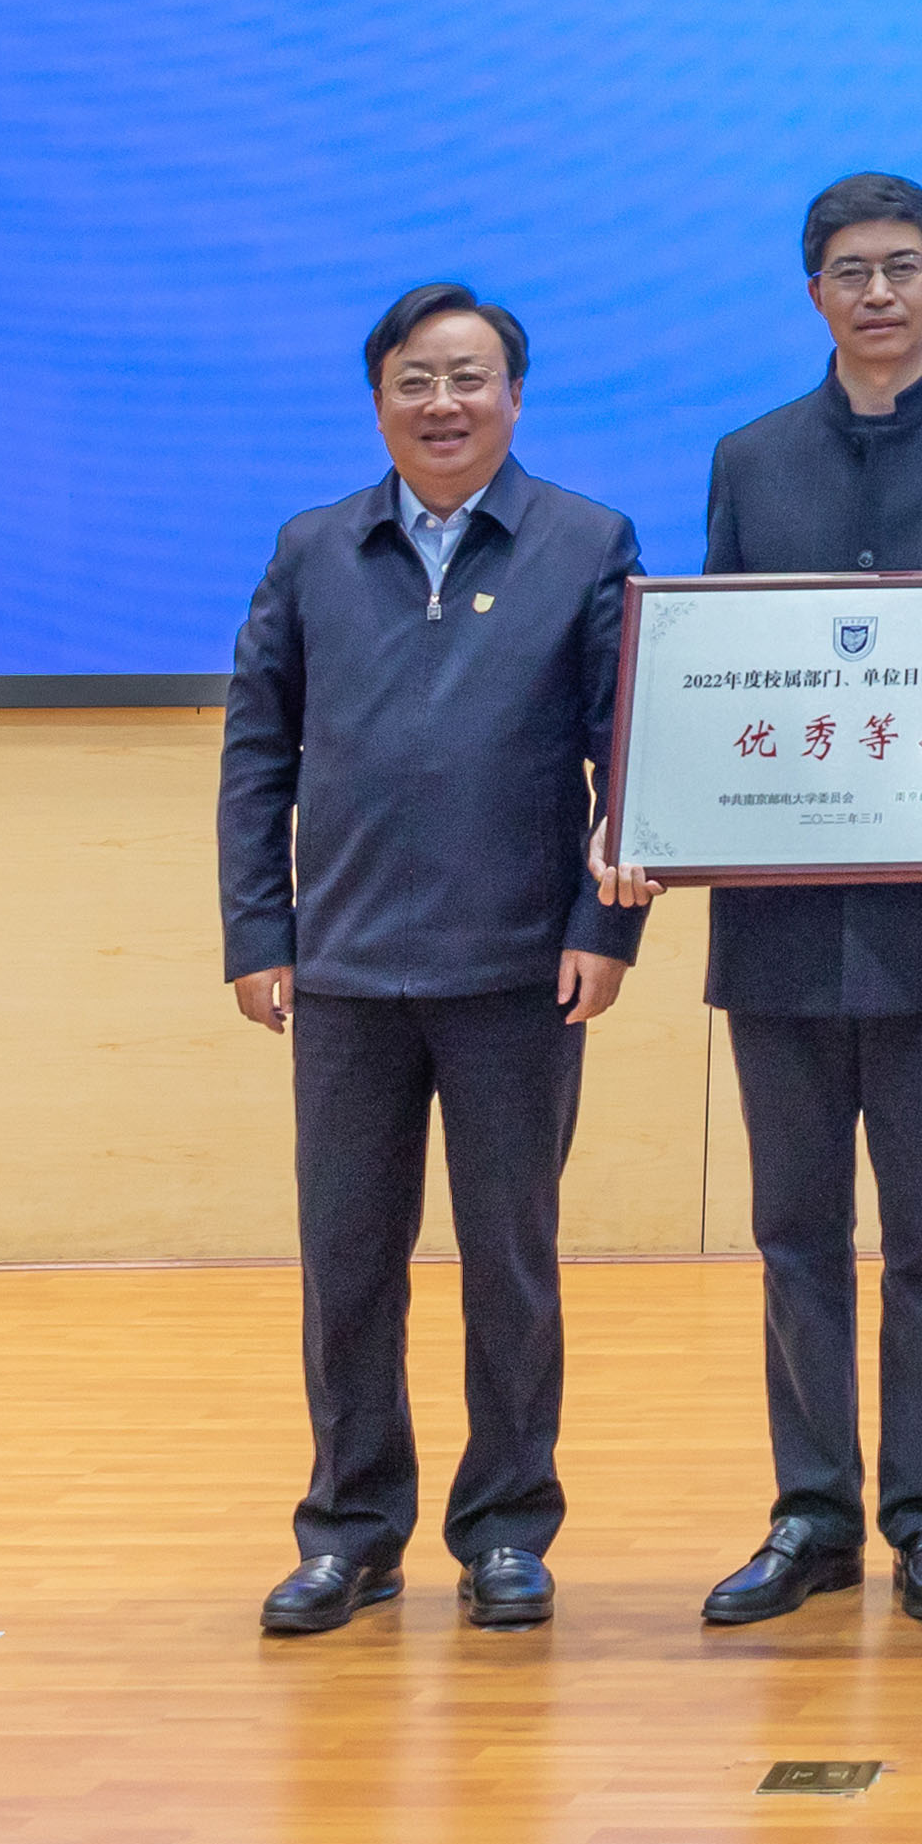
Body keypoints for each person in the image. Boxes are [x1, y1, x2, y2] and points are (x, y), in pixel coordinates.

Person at [629, 172, 922, 1637]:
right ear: (813, 292)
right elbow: (717, 674)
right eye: (849, 271)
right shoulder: (752, 458)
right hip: (780, 921)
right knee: (794, 1232)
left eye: (901, 266)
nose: (876, 293)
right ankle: (812, 1514)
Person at [215, 282, 641, 1640]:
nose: (442, 404)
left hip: (520, 974)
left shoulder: (586, 542)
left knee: (511, 1264)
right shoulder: (312, 550)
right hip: (346, 970)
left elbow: (628, 759)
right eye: (415, 379)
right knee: (348, 1265)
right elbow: (257, 755)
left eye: (468, 378)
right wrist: (257, 932)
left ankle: (507, 1529)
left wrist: (604, 930)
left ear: (513, 397)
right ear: (379, 400)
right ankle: (350, 1532)